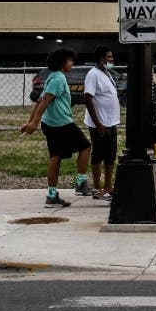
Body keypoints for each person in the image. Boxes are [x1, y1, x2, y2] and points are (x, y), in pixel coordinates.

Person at [20, 47, 93, 208]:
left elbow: (39, 101)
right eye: (69, 61)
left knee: (56, 156)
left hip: (50, 123)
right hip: (61, 123)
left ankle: (51, 195)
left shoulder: (52, 77)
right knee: (86, 147)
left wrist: (31, 121)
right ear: (62, 63)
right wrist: (32, 123)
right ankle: (81, 183)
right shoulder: (58, 79)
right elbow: (45, 101)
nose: (72, 63)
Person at [82, 45, 119, 202]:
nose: (111, 60)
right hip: (100, 123)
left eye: (111, 57)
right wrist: (97, 123)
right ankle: (97, 189)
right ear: (100, 58)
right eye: (108, 57)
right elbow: (88, 98)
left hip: (111, 122)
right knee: (99, 155)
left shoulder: (107, 73)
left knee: (110, 155)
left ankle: (108, 187)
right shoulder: (93, 74)